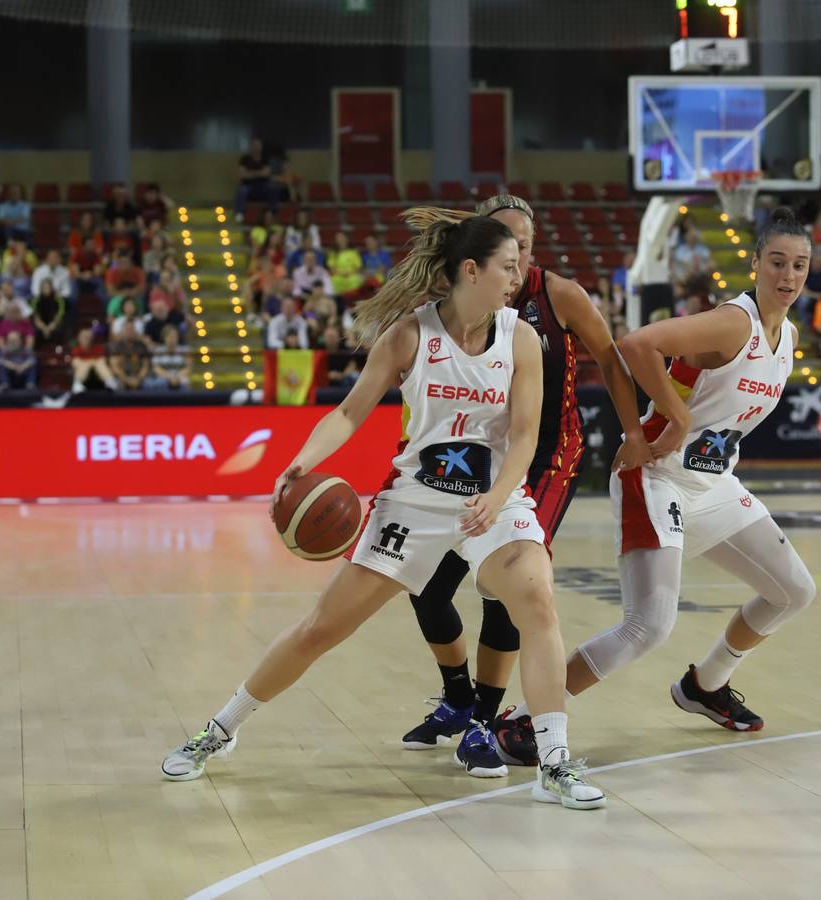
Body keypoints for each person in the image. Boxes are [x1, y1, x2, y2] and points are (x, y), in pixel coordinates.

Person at [160, 211, 605, 810]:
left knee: (537, 600)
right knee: (321, 629)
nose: (519, 274)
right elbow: (348, 412)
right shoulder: (410, 335)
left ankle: (554, 762)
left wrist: (497, 499)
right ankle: (218, 731)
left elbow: (525, 434)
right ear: (471, 270)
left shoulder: (522, 337)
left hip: (490, 501)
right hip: (414, 504)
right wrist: (300, 462)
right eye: (508, 265)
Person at [500, 208, 818, 765]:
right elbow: (636, 343)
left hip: (712, 485)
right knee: (648, 625)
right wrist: (678, 417)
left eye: (799, 265)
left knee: (794, 591)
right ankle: (526, 719)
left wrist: (691, 427)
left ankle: (706, 685)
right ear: (755, 264)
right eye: (777, 263)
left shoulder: (787, 335)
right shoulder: (733, 324)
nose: (788, 276)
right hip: (656, 476)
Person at [395, 195, 652, 778]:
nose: (518, 260)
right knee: (429, 586)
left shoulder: (557, 295)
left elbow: (611, 360)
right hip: (478, 458)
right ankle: (458, 699)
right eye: (507, 246)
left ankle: (486, 721)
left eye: (527, 247)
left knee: (513, 585)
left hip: (548, 458)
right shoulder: (460, 303)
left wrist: (633, 430)